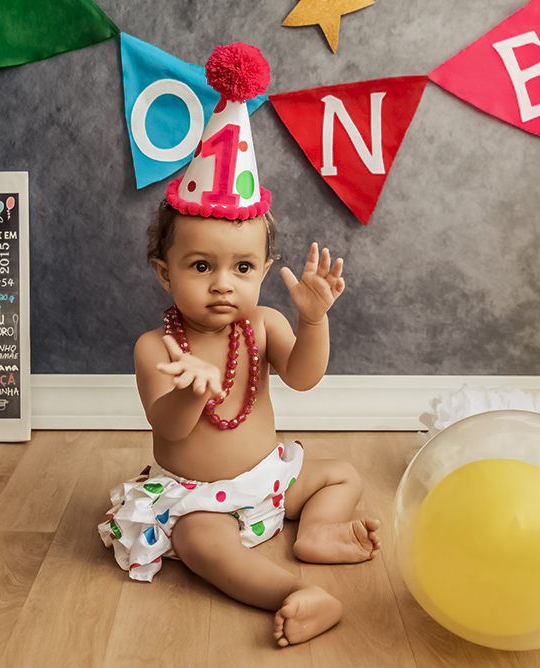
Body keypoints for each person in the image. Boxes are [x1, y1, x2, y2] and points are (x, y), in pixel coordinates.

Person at [98, 41, 379, 647]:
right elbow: (170, 428)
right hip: (200, 499)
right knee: (202, 544)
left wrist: (313, 321)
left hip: (269, 479)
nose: (223, 283)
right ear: (164, 272)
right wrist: (192, 390)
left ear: (264, 269)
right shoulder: (157, 348)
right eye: (201, 266)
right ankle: (294, 592)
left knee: (341, 475)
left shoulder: (265, 325)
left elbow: (303, 377)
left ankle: (317, 532)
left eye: (243, 268)